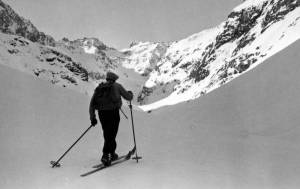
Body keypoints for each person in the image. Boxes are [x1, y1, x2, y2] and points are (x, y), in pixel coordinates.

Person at [89, 71, 133, 166]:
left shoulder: (99, 87)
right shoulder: (117, 86)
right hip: (113, 112)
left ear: (107, 78)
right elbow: (128, 97)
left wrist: (93, 118)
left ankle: (111, 153)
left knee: (107, 133)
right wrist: (131, 94)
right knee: (111, 134)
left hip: (102, 114)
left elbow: (92, 104)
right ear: (114, 79)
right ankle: (106, 155)